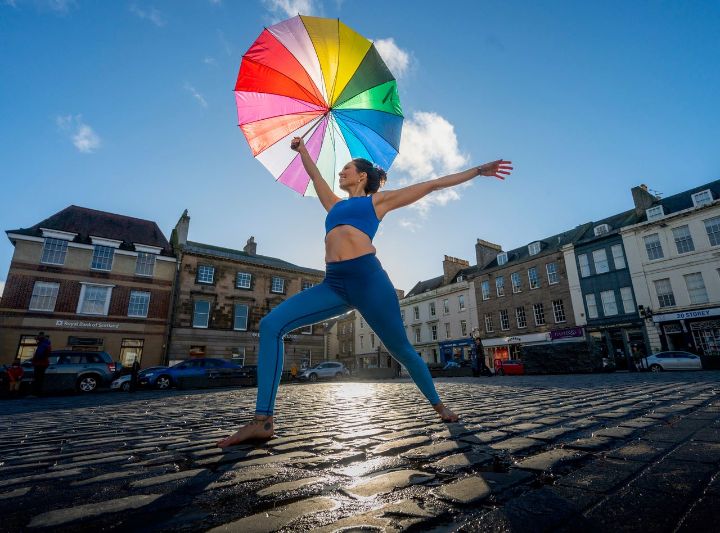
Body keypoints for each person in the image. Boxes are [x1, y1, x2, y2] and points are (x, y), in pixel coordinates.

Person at [217, 138, 512, 447]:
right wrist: (303, 150)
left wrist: (478, 170)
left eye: (347, 169)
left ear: (361, 176)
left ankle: (439, 406)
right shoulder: (334, 204)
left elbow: (432, 185)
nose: (341, 173)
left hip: (370, 281)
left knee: (402, 350)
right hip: (334, 284)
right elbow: (315, 176)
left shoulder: (377, 202)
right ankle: (262, 420)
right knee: (270, 326)